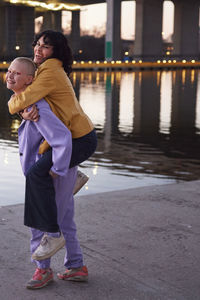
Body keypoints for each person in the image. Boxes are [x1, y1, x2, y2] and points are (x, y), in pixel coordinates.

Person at [8, 30, 97, 260]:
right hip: (71, 140)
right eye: (37, 44)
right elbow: (28, 98)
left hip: (75, 140)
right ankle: (76, 264)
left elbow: (28, 99)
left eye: (45, 46)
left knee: (37, 179)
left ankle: (50, 244)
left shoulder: (49, 73)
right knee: (65, 211)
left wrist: (56, 170)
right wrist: (23, 112)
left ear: (55, 52)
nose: (38, 48)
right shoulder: (44, 73)